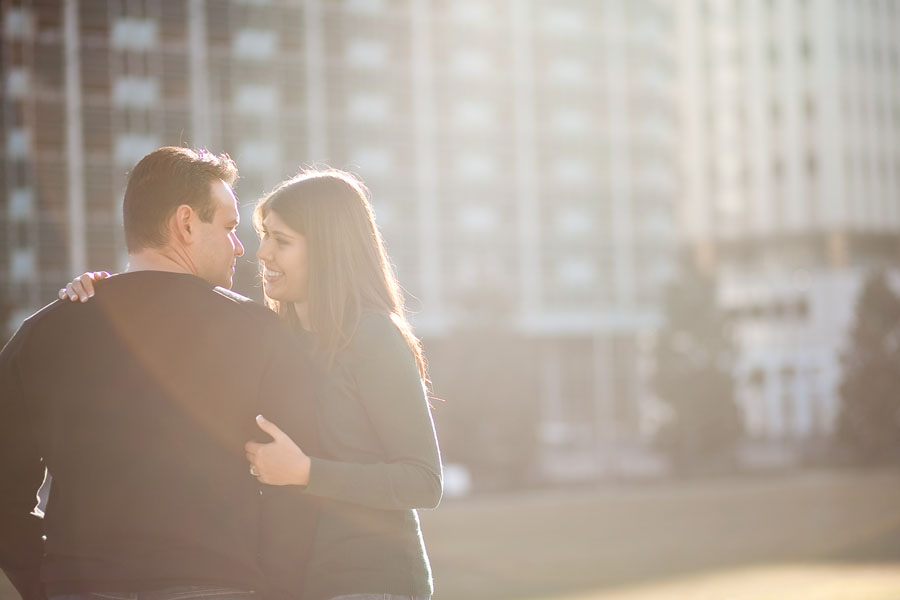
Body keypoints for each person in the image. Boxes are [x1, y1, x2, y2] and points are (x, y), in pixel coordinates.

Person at [58, 169, 443, 600]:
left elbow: (423, 481)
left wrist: (306, 472)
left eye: (282, 240)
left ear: (329, 250)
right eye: (264, 237)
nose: (261, 254)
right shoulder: (280, 335)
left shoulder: (373, 337)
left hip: (369, 580)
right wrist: (109, 289)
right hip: (301, 581)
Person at [0, 147, 319, 600]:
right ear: (186, 224)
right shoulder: (260, 332)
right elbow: (294, 488)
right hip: (219, 584)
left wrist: (47, 582)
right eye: (229, 227)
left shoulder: (44, 331)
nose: (240, 246)